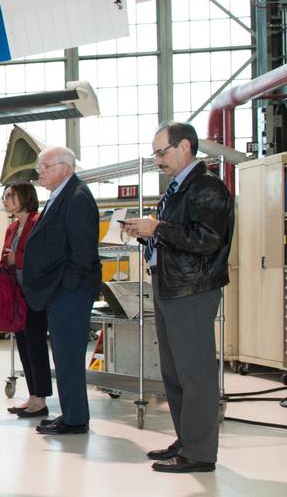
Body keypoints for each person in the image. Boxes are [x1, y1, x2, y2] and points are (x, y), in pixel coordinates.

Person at [122, 122, 234, 473]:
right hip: (171, 285)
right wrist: (146, 233)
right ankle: (187, 439)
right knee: (174, 372)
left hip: (192, 289)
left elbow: (207, 238)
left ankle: (199, 453)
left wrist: (158, 228)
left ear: (184, 147)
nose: (157, 160)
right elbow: (176, 236)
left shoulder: (206, 188)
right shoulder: (178, 189)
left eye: (161, 152)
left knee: (194, 373)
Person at [22, 146, 100, 436]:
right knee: (64, 355)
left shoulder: (77, 197)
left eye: (46, 166)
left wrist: (65, 286)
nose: (39, 172)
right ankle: (71, 413)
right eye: (39, 167)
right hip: (62, 291)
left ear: (65, 167)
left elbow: (83, 251)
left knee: (68, 355)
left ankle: (75, 419)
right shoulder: (62, 196)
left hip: (71, 291)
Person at [0, 182, 52, 418]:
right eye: (5, 195)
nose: (6, 200)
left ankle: (41, 399)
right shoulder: (13, 228)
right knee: (24, 345)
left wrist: (15, 259)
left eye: (10, 196)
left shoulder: (38, 222)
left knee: (36, 345)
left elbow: (41, 257)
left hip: (35, 293)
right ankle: (33, 395)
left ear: (24, 197)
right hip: (18, 294)